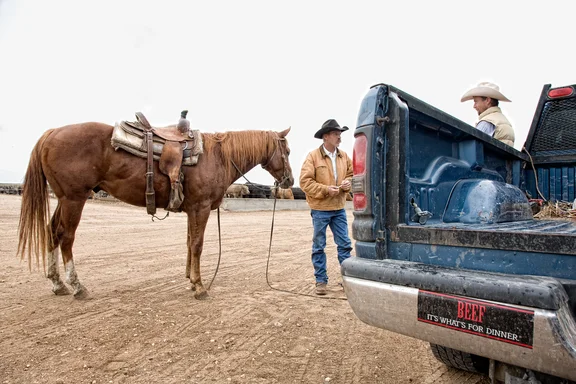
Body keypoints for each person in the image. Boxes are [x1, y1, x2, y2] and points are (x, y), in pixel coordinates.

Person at [299, 119, 353, 295]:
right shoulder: (312, 157)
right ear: (326, 136)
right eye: (336, 134)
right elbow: (305, 182)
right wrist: (325, 190)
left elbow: (353, 175)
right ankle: (321, 281)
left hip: (338, 208)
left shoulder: (344, 156)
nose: (339, 138)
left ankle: (347, 281)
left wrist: (348, 183)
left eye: (339, 134)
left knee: (344, 244)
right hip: (320, 209)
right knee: (319, 245)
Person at [461, 82, 515, 146]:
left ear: (488, 100)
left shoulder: (487, 122)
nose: (474, 106)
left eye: (476, 101)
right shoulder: (504, 121)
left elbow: (472, 146)